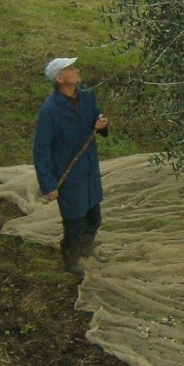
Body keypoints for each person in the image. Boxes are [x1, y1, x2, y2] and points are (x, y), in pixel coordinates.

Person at [33, 57, 108, 281]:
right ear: (59, 78)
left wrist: (102, 124)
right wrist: (48, 185)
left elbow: (97, 119)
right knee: (74, 220)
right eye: (71, 69)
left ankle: (85, 248)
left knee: (94, 216)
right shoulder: (50, 111)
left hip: (88, 168)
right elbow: (41, 151)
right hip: (68, 172)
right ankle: (71, 259)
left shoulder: (86, 97)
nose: (77, 70)